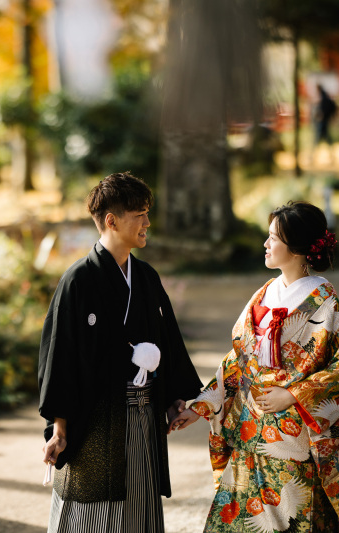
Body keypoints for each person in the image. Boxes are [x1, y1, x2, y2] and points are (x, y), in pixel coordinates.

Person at [169, 201, 339, 532]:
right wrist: (202, 406)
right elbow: (238, 361)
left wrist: (293, 395)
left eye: (273, 238)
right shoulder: (264, 294)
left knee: (288, 515)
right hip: (250, 431)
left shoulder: (326, 302)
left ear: (298, 248)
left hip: (293, 434)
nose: (265, 244)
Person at [39, 172, 203, 533]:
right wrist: (60, 428)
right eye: (138, 214)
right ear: (111, 220)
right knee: (91, 514)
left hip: (143, 417)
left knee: (138, 510)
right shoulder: (78, 280)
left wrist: (174, 399)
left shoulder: (145, 277)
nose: (147, 222)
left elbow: (168, 342)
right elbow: (61, 358)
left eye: (147, 213)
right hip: (96, 419)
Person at [312, 84, 337, 165]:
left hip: (322, 123)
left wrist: (322, 116)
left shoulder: (323, 97)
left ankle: (313, 158)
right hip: (324, 122)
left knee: (317, 140)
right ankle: (332, 157)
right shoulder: (325, 96)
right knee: (327, 140)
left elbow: (323, 109)